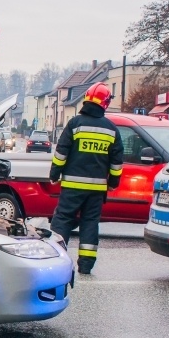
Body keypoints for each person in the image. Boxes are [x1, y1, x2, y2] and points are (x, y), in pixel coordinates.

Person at [49, 82, 124, 275]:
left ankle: (56, 257)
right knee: (90, 223)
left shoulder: (75, 124)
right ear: (105, 103)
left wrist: (54, 174)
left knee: (63, 220)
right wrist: (114, 183)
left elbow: (61, 152)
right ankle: (86, 265)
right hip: (97, 190)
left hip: (72, 187)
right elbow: (116, 162)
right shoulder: (111, 129)